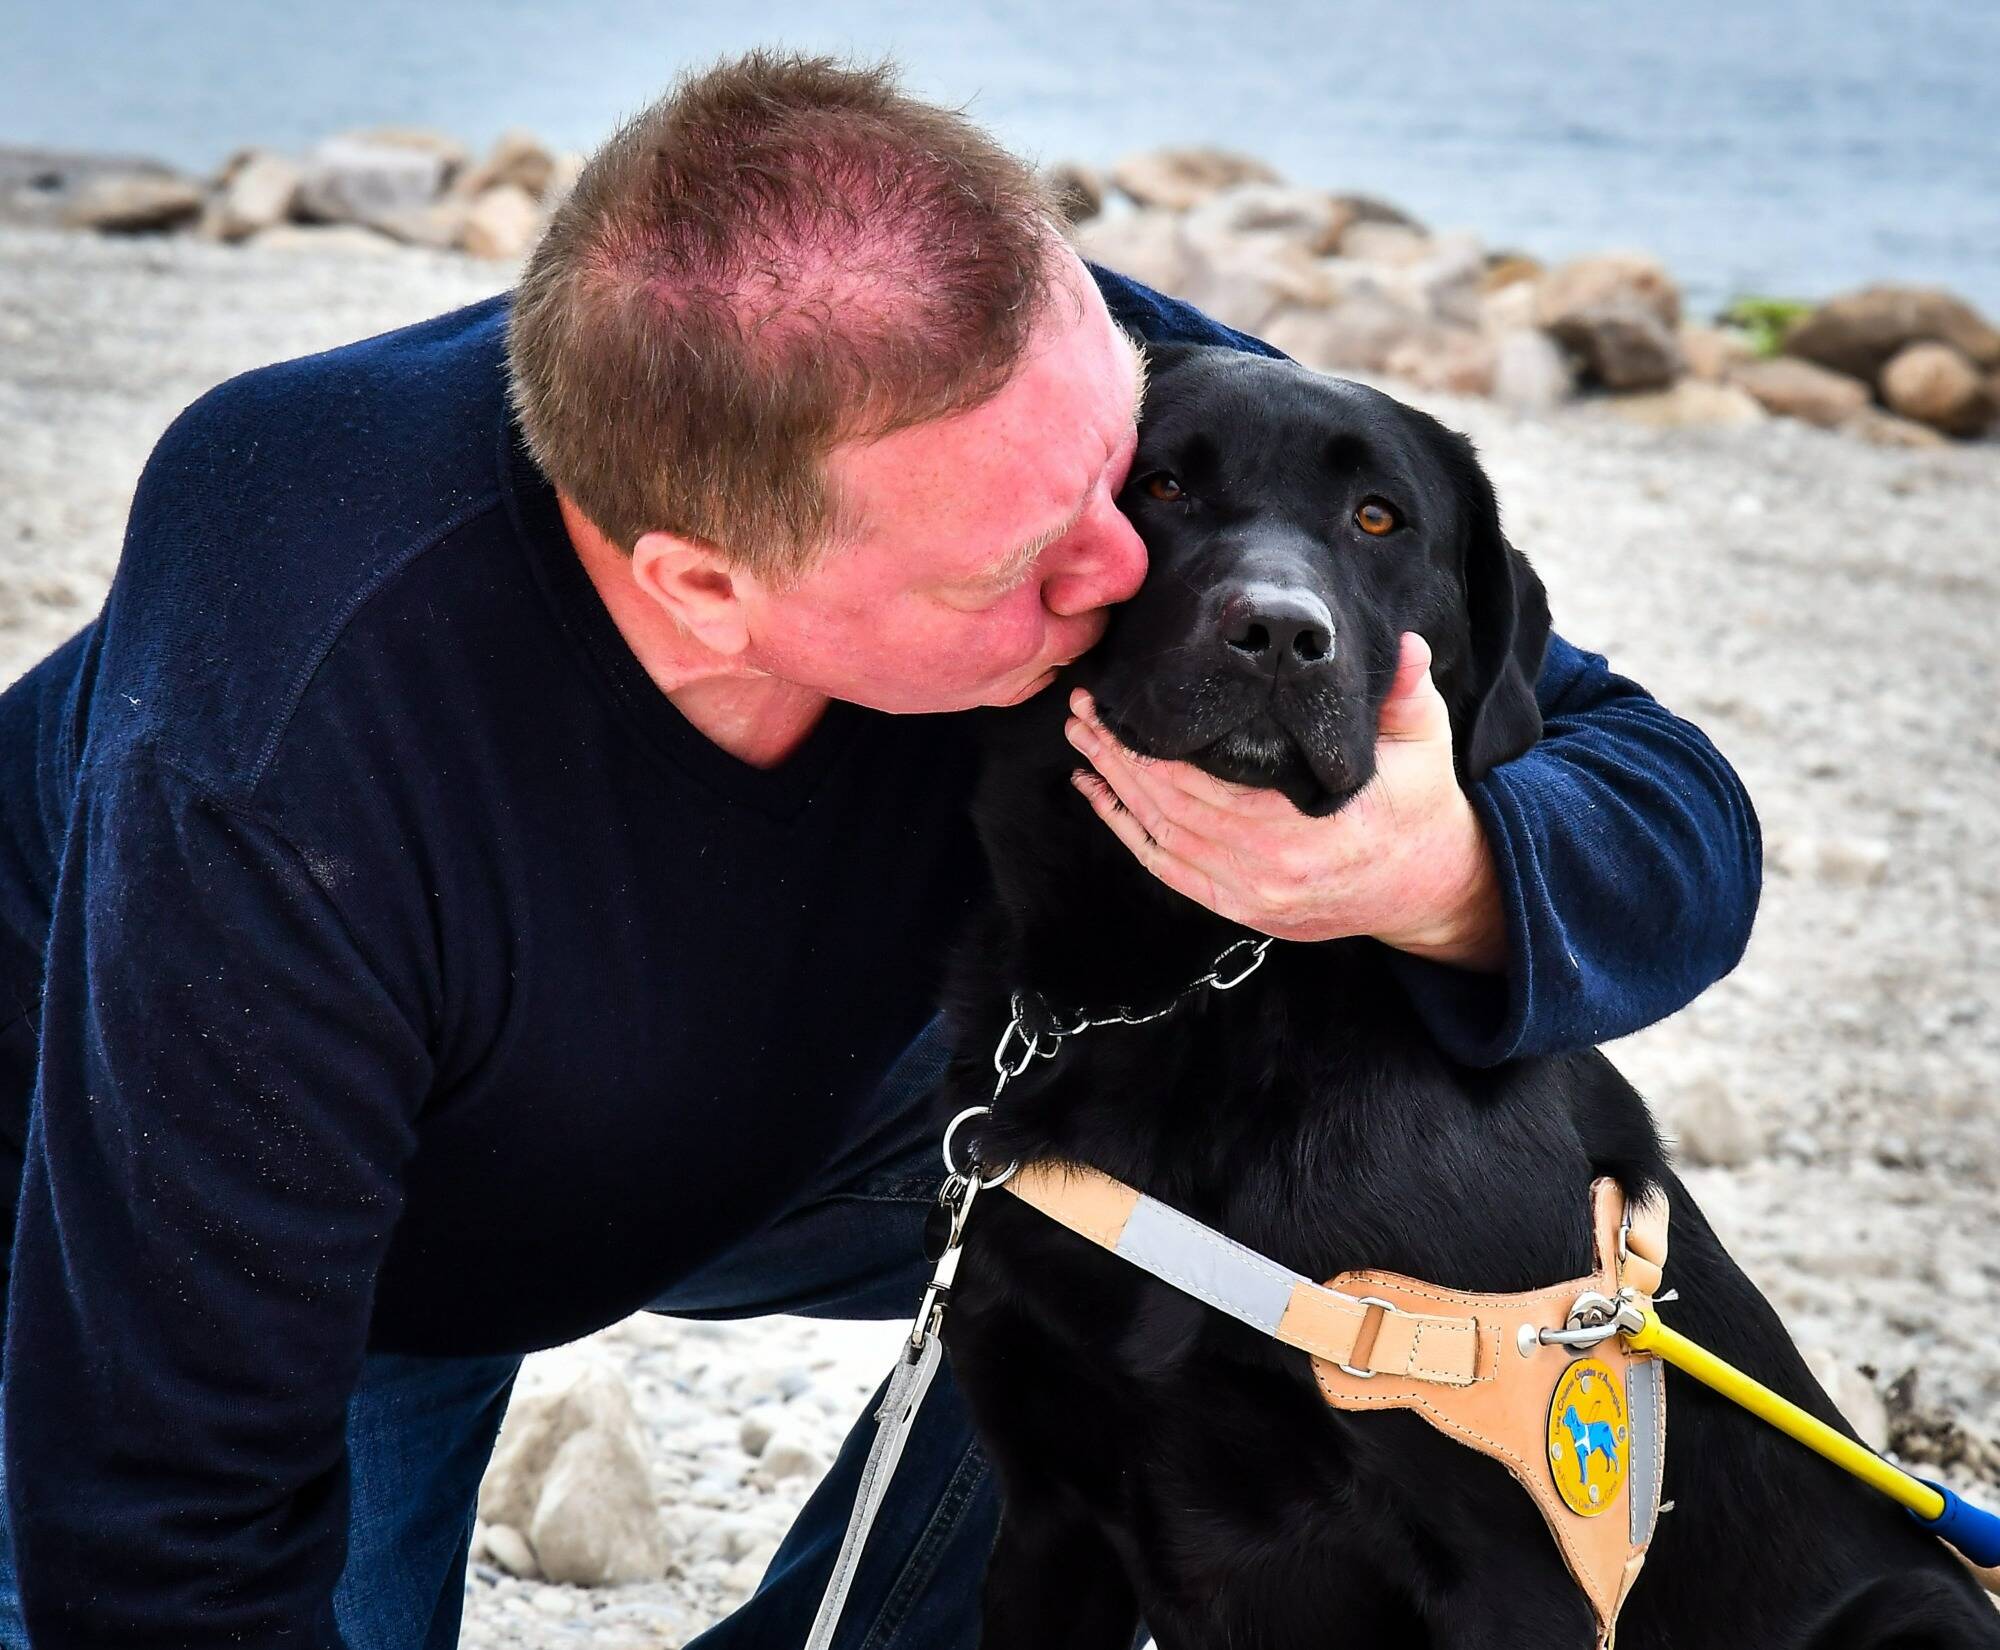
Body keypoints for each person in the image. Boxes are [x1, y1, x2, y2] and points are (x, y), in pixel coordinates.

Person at [0, 49, 1760, 1650]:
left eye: (1116, 468)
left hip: (810, 1112)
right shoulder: (297, 704)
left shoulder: (1054, 398)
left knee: (1230, 1152)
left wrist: (1425, 870)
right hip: (260, 1223)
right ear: (705, 582)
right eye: (1019, 566)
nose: (1131, 577)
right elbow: (164, 1538)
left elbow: (1672, 801)